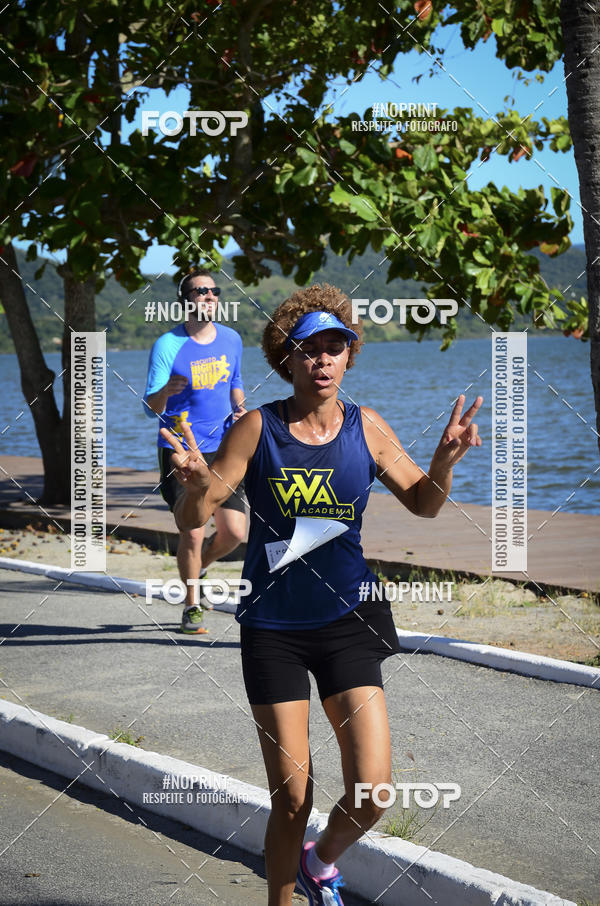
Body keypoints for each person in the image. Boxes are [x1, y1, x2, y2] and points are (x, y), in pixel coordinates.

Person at [160, 284, 482, 905]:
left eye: (336, 348)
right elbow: (191, 517)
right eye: (310, 350)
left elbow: (424, 504)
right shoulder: (257, 428)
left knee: (373, 792)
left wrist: (443, 462)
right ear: (288, 359)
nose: (324, 361)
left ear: (348, 358)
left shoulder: (368, 427)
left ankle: (321, 860)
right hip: (274, 629)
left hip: (348, 618)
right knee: (292, 798)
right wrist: (197, 486)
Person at [143, 269, 247, 634]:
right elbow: (149, 407)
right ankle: (191, 607)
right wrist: (167, 391)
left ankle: (198, 567)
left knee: (235, 532)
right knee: (193, 529)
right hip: (182, 451)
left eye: (213, 290)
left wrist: (240, 408)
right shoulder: (168, 345)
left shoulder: (232, 339)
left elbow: (235, 383)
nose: (208, 295)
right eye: (200, 291)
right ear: (185, 300)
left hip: (225, 448)